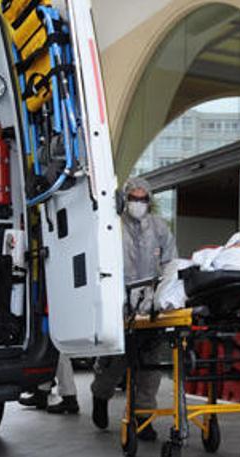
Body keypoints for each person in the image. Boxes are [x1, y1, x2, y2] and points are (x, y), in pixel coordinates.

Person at [89, 176, 177, 441]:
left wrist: (166, 296)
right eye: (133, 198)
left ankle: (143, 416)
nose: (138, 203)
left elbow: (170, 262)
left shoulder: (160, 228)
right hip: (121, 304)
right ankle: (100, 394)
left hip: (150, 305)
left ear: (149, 200)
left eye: (142, 198)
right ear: (125, 199)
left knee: (149, 364)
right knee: (116, 361)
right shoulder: (112, 227)